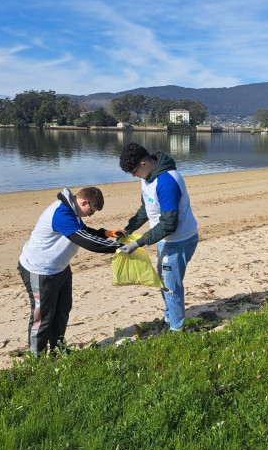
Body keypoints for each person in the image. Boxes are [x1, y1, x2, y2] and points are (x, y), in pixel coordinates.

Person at [18, 186, 124, 356]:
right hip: (39, 270)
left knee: (62, 311)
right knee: (43, 316)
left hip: (60, 268)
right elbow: (86, 241)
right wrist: (120, 247)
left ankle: (58, 349)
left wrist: (107, 233)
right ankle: (35, 358)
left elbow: (83, 230)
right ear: (84, 202)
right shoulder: (61, 214)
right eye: (91, 211)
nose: (91, 215)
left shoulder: (71, 210)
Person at [118, 142, 199, 332]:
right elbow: (146, 208)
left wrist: (138, 243)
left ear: (144, 164)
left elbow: (169, 224)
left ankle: (176, 330)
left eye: (134, 171)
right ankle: (169, 318)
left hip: (179, 240)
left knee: (171, 285)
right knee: (164, 280)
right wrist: (128, 229)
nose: (133, 175)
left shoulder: (167, 182)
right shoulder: (146, 178)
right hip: (164, 239)